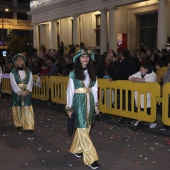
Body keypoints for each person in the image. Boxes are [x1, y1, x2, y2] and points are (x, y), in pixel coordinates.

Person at [66, 48, 100, 169]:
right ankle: (91, 159)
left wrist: (96, 105)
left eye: (87, 56)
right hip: (78, 103)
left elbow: (95, 89)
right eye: (82, 56)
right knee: (82, 129)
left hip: (90, 102)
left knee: (86, 128)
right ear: (78, 59)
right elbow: (70, 91)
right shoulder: (73, 73)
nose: (85, 58)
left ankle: (77, 148)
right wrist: (69, 107)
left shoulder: (93, 73)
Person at [10, 53, 34, 132]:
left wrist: (27, 91)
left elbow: (30, 81)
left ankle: (29, 126)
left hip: (27, 92)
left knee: (27, 107)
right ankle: (19, 123)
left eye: (21, 60)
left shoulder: (29, 71)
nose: (20, 61)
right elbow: (13, 83)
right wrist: (19, 92)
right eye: (18, 60)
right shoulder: (12, 72)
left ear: (24, 61)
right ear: (15, 62)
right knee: (18, 107)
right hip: (17, 92)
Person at [129, 62, 157, 130]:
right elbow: (130, 77)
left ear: (146, 69)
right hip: (140, 95)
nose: (140, 69)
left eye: (141, 68)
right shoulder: (139, 73)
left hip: (149, 96)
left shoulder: (152, 74)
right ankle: (140, 120)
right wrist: (134, 79)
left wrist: (137, 79)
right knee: (139, 108)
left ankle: (152, 122)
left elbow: (148, 80)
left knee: (149, 109)